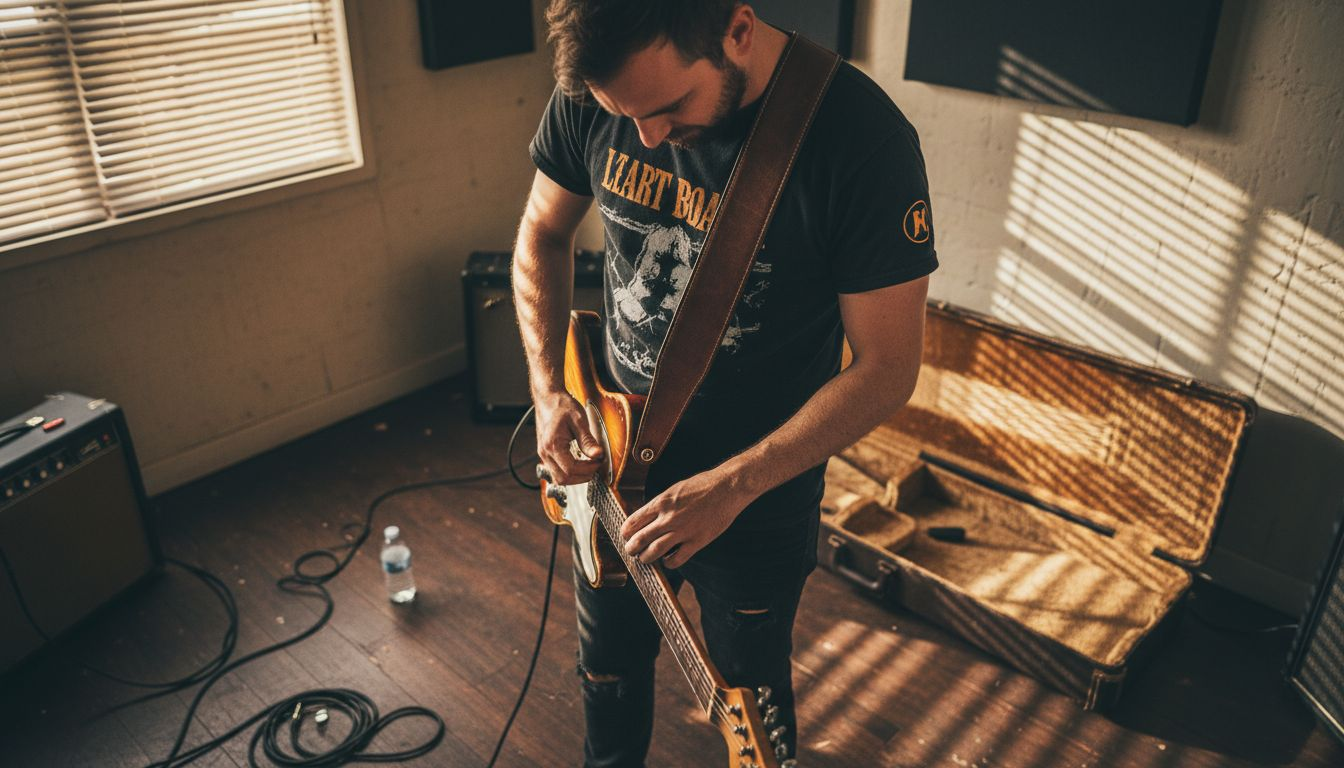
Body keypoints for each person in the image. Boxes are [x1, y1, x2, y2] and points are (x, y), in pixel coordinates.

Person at [512, 1, 936, 765]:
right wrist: (548, 391)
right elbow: (542, 232)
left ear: (737, 30)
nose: (646, 136)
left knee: (751, 690)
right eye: (622, 115)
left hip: (755, 491)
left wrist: (736, 484)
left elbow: (887, 370)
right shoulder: (601, 82)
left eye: (670, 107)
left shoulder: (861, 142)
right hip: (606, 461)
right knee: (607, 672)